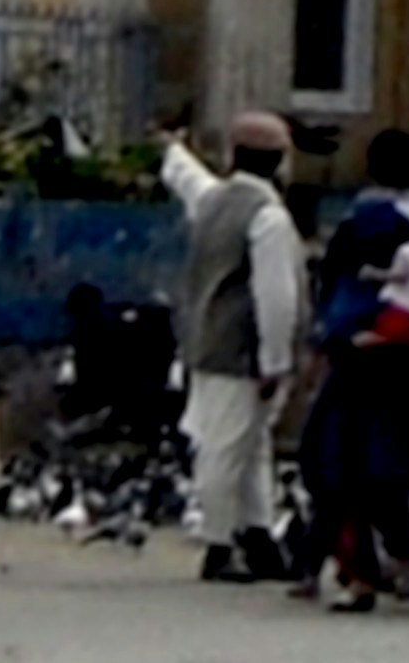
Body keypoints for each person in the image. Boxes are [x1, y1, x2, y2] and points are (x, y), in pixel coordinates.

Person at [167, 107, 308, 582]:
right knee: (228, 448)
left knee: (247, 446)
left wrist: (173, 149)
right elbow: (277, 297)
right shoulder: (267, 217)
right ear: (281, 162)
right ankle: (219, 544)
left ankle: (258, 534)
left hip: (208, 342)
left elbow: (186, 178)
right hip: (242, 353)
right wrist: (275, 361)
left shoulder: (215, 201)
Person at [298, 174, 409, 609]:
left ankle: (384, 564)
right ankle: (363, 572)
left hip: (378, 395)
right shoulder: (378, 280)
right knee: (352, 483)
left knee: (362, 482)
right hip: (373, 397)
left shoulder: (399, 278)